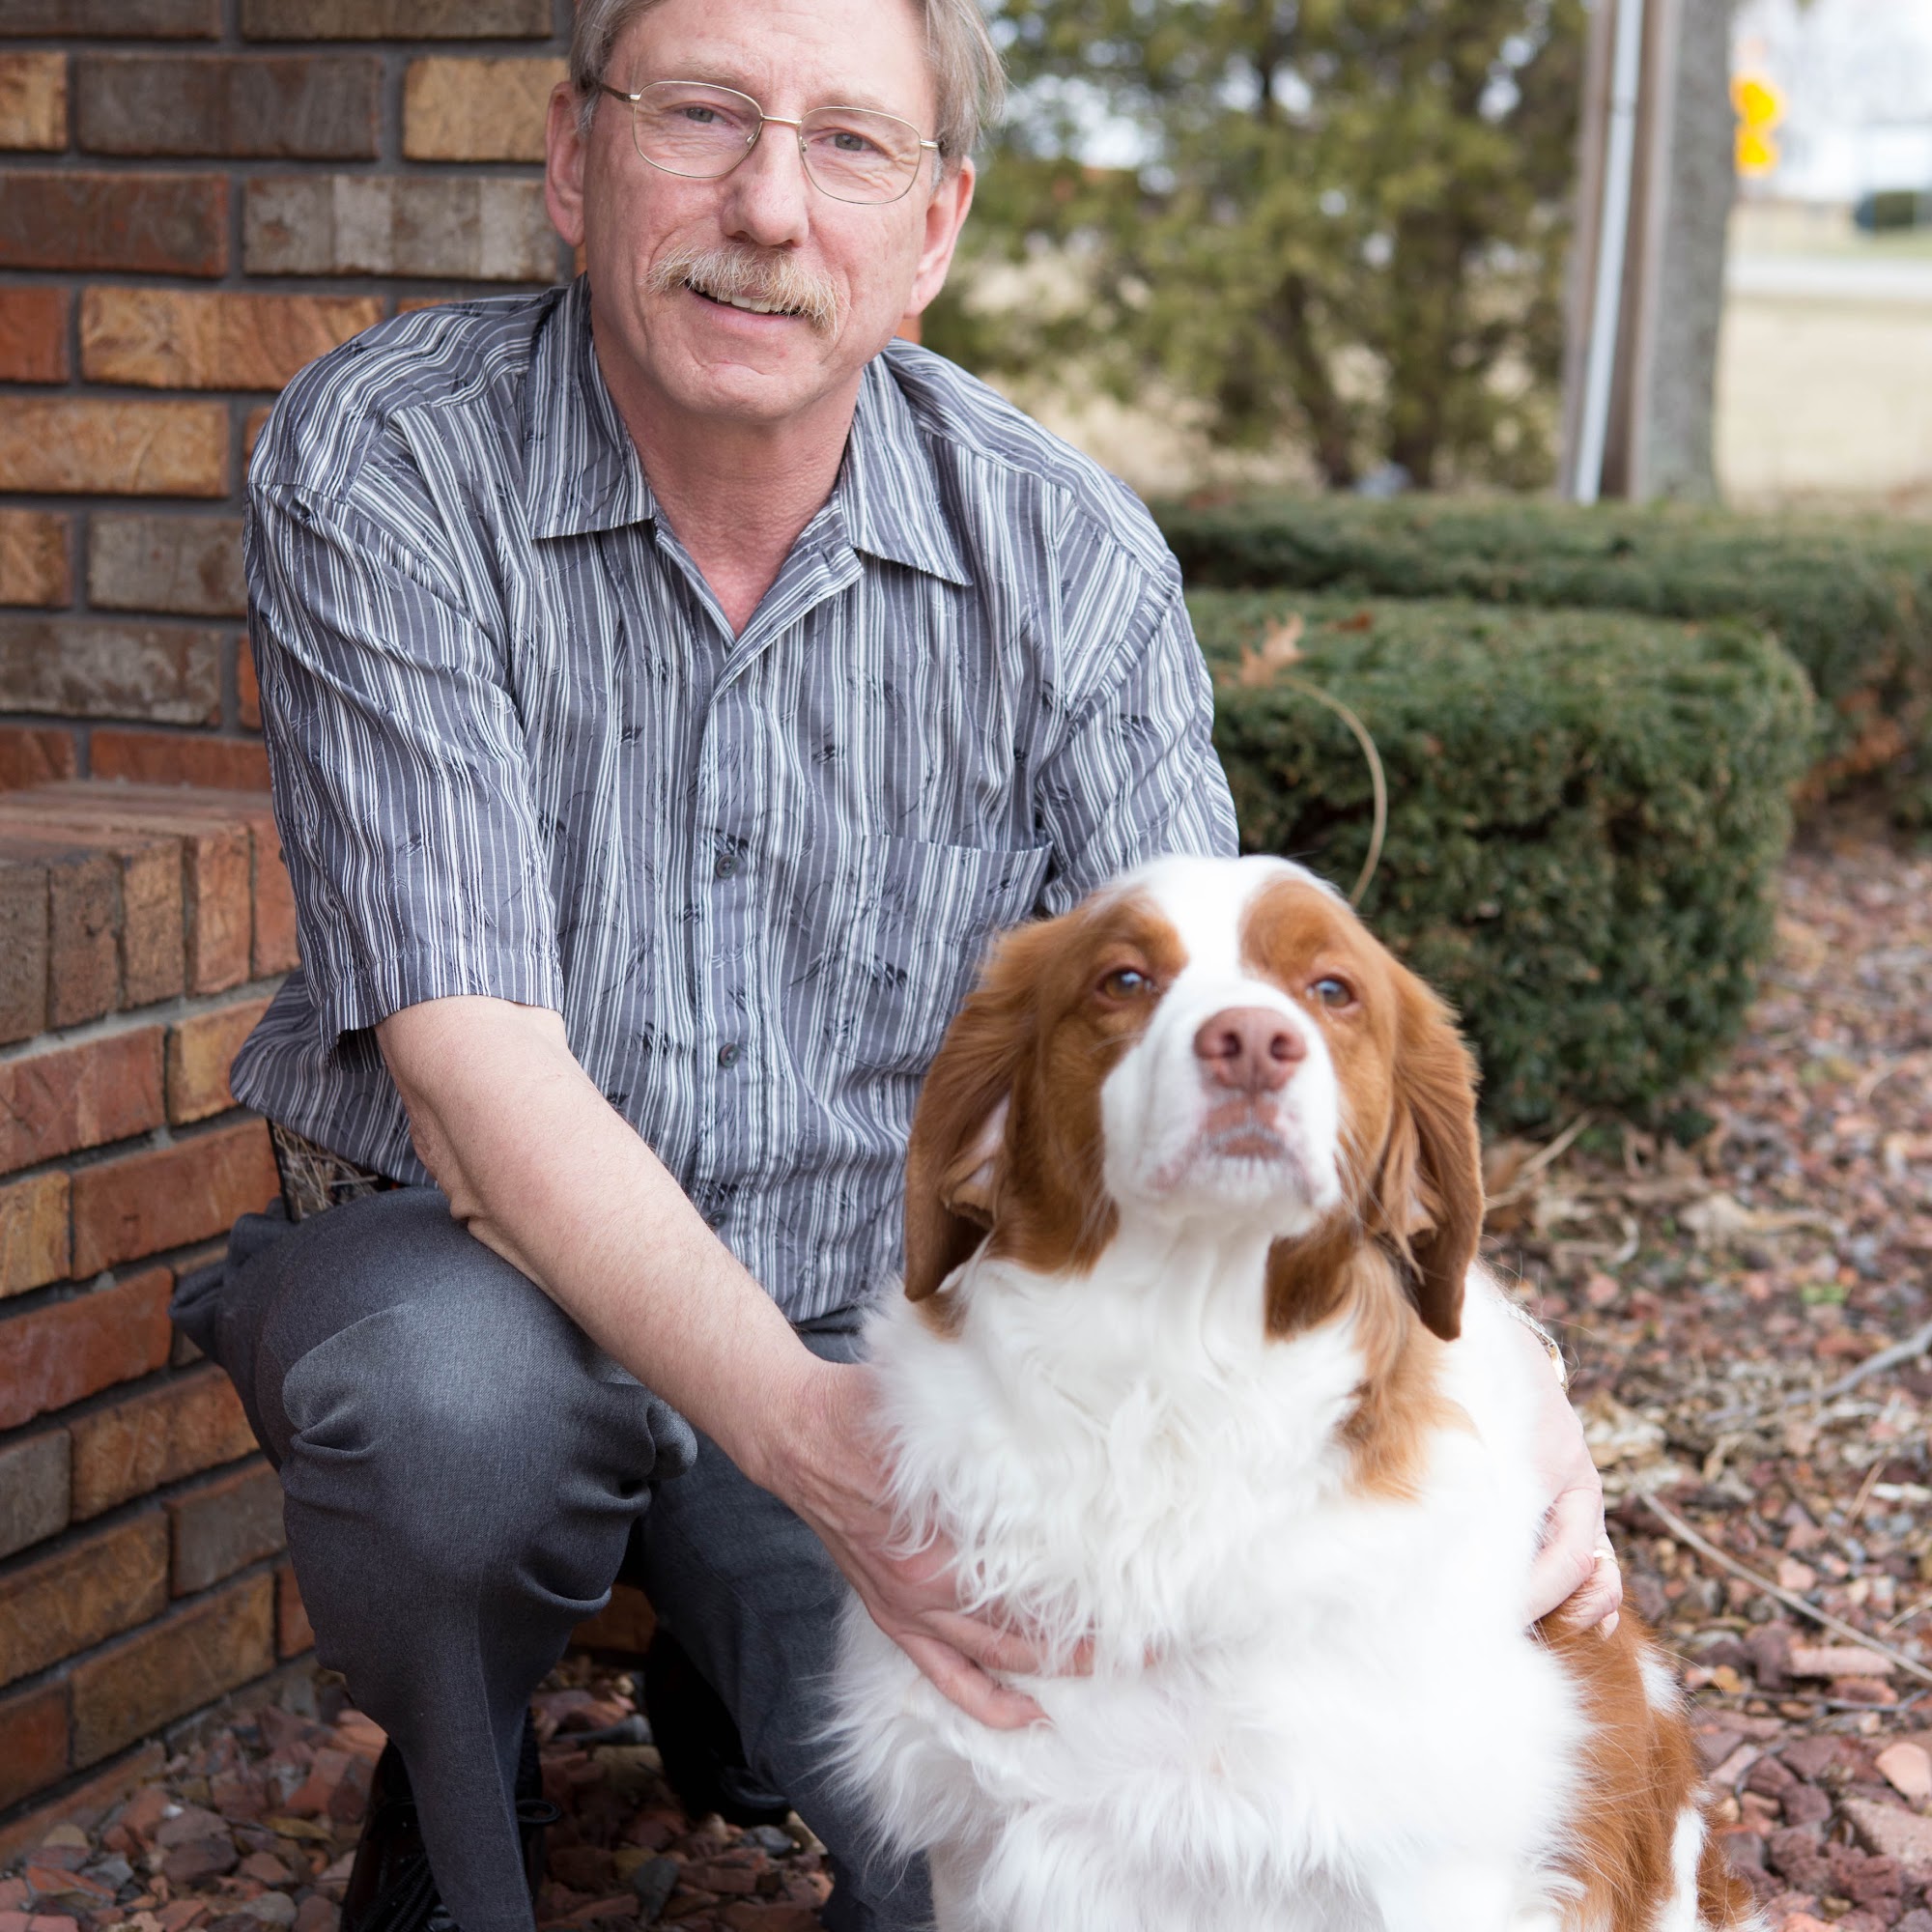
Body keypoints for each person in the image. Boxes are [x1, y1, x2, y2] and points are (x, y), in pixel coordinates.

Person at [172, 1, 1621, 1928]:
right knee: (439, 1413)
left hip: (874, 1336)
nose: (769, 208)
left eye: (849, 143)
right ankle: (458, 1767)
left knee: (1006, 1869)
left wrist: (1500, 1363)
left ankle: (733, 1648)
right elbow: (471, 1067)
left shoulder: (1067, 553)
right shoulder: (392, 460)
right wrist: (800, 1449)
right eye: (703, 114)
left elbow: (1212, 1024)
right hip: (475, 1278)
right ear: (574, 159)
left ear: (933, 229)